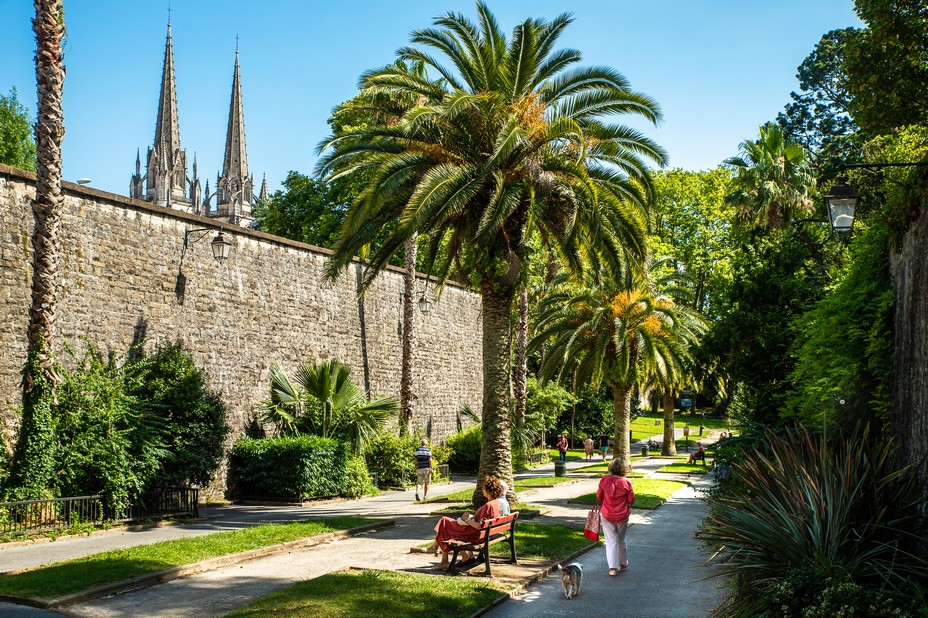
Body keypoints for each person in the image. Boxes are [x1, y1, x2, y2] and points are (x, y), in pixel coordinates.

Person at [426, 475, 506, 569]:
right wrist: (473, 517)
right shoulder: (496, 503)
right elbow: (484, 521)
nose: (482, 490)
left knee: (445, 524)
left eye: (483, 489)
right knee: (445, 524)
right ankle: (443, 555)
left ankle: (440, 553)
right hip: (484, 535)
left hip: (476, 535)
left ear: (488, 491)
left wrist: (466, 520)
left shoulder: (488, 505)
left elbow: (480, 526)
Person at [597, 458, 635, 576]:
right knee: (621, 539)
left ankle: (612, 568)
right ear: (624, 469)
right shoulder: (626, 482)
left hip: (607, 514)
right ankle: (622, 563)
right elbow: (631, 500)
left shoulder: (604, 480)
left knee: (610, 541)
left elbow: (599, 496)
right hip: (622, 515)